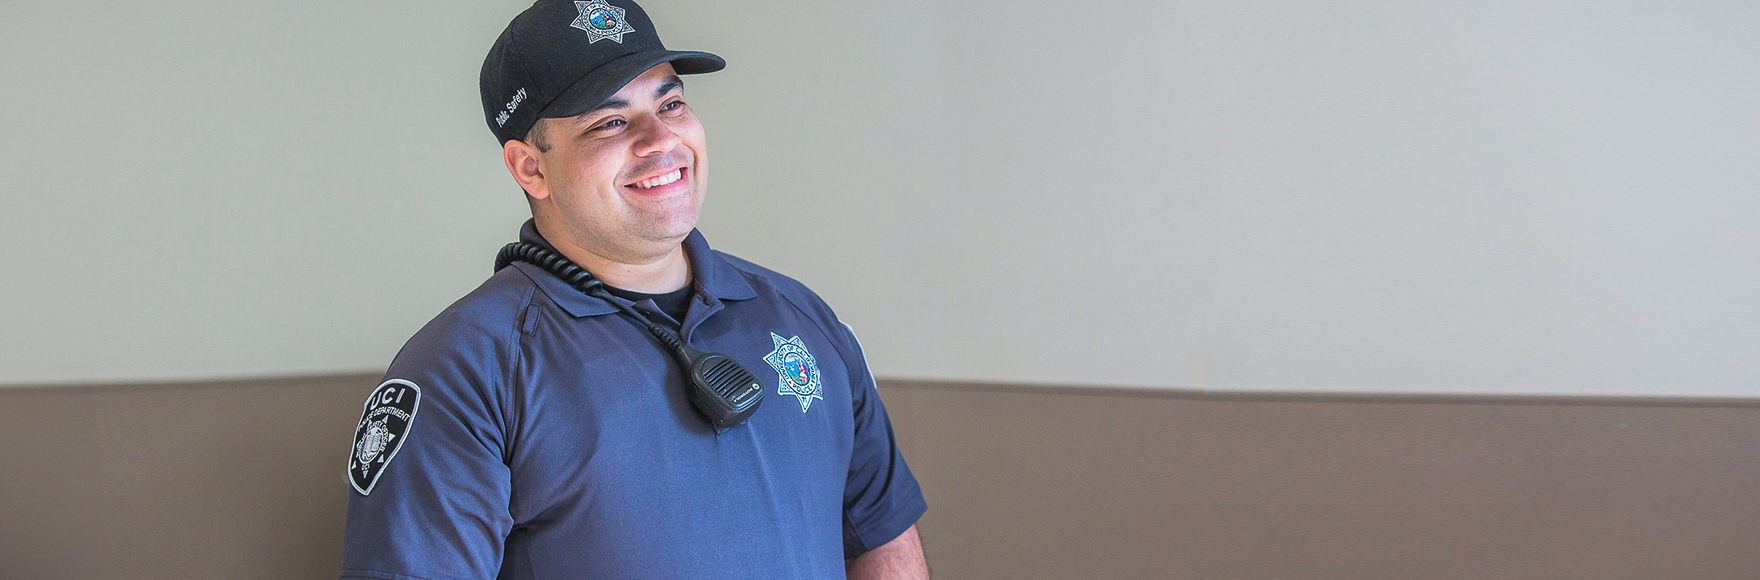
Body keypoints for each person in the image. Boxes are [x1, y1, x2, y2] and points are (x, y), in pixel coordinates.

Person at [338, 1, 929, 578]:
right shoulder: (463, 369)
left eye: (670, 102)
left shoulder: (804, 318)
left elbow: (881, 540)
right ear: (530, 168)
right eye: (610, 121)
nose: (660, 139)